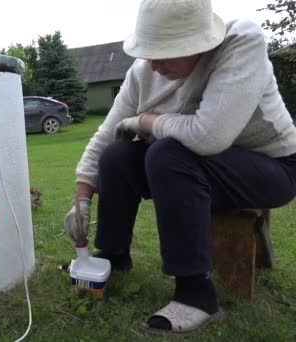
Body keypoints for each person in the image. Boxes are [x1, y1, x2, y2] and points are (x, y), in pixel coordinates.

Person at [64, 0, 296, 335]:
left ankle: (196, 294)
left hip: (272, 168)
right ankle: (112, 257)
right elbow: (106, 133)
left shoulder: (242, 42)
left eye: (166, 51)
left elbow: (208, 136)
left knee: (168, 153)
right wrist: (82, 195)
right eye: (150, 51)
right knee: (117, 155)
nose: (154, 64)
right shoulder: (143, 72)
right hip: (199, 168)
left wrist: (146, 120)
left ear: (198, 42)